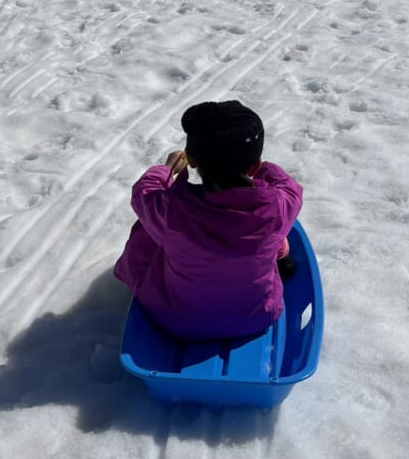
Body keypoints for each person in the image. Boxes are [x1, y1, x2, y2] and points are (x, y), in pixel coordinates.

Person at [113, 100, 302, 340]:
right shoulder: (278, 206)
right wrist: (263, 168)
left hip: (177, 319)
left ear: (191, 160)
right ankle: (281, 255)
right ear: (254, 165)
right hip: (258, 317)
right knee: (276, 237)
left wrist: (169, 169)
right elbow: (290, 187)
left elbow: (144, 191)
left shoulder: (171, 210)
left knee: (147, 228)